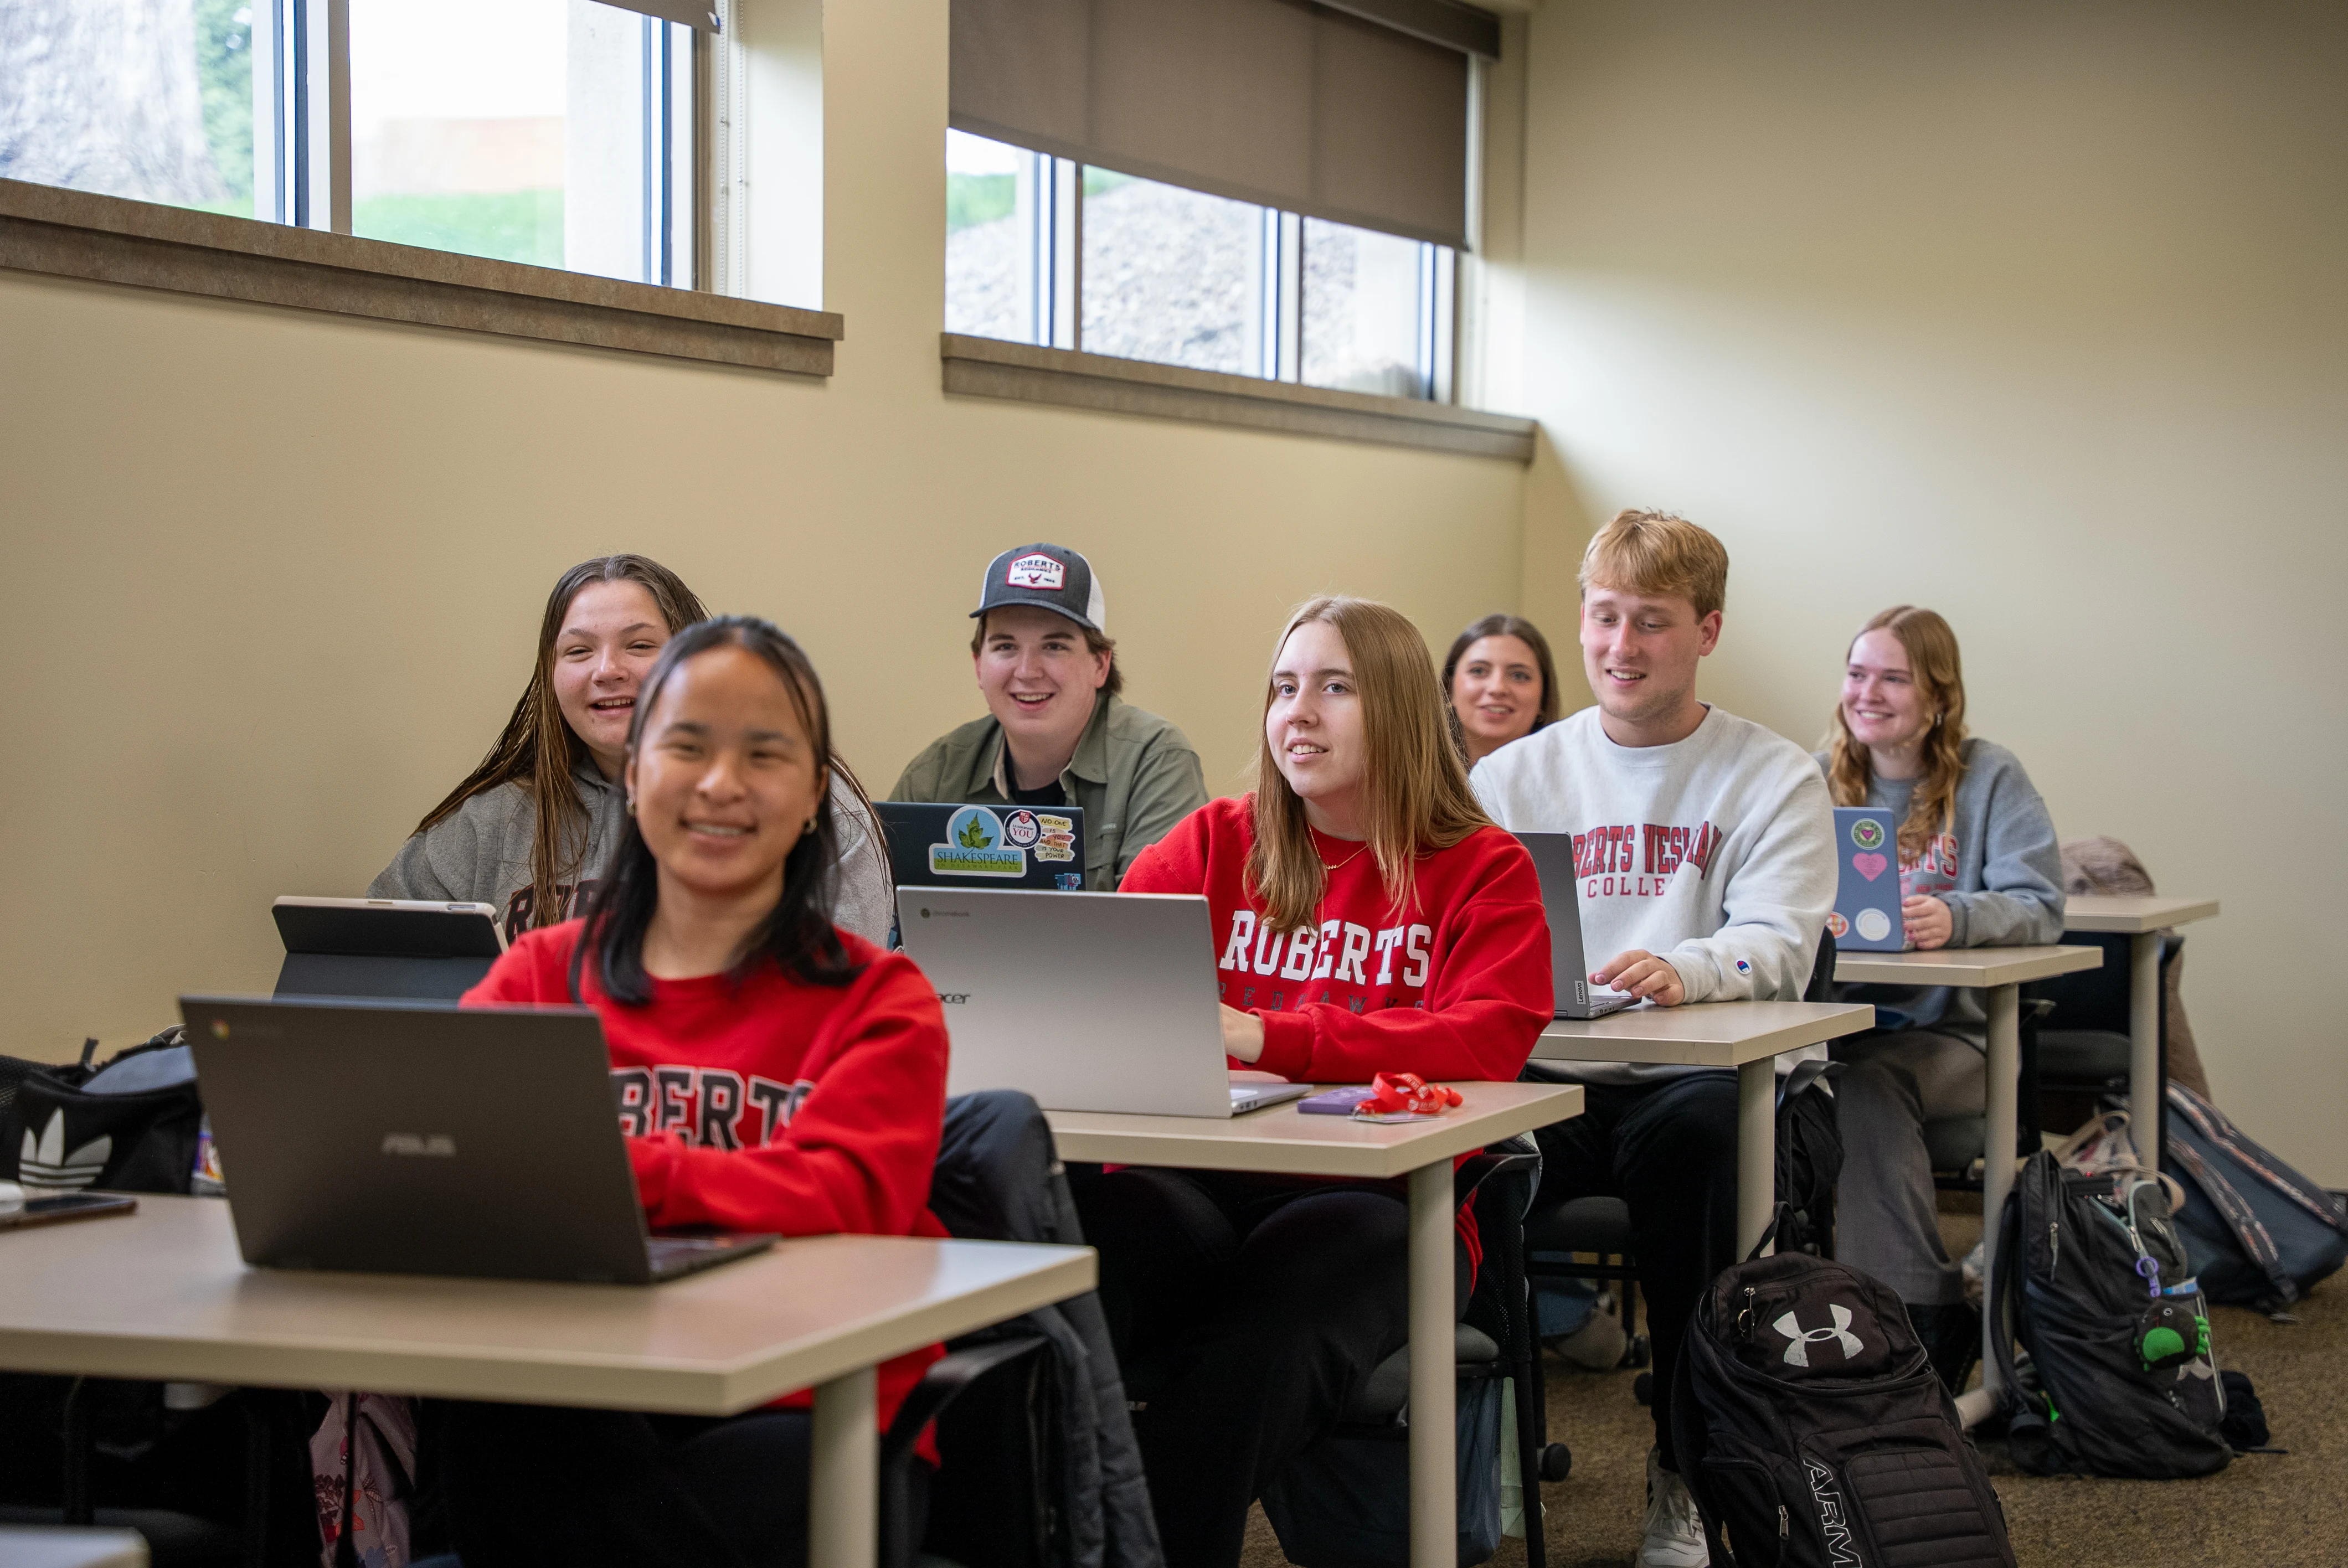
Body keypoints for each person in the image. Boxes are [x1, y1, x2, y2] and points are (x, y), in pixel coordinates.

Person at [445, 616, 951, 1568]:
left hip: (810, 1405)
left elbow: (842, 1201)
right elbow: (465, 1149)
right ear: (634, 773)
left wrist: (596, 1166)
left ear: (814, 799)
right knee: (500, 1418)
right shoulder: (539, 977)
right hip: (592, 1382)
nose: (721, 784)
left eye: (764, 755)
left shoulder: (881, 1001)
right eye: (686, 746)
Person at [1078, 595, 1551, 1568]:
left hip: (1384, 1202)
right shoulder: (1213, 843)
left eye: (1336, 688)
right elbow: (1104, 984)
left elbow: (1485, 1036)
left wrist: (1273, 1033)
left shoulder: (1482, 868)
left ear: (1404, 712)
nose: (1300, 712)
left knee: (1271, 1326)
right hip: (1199, 1181)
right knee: (1054, 1263)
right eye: (1284, 688)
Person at [1470, 510, 1834, 1568]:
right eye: (1603, 617)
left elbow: (1778, 939)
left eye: (1653, 624)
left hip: (1716, 1083)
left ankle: (1686, 1472)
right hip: (1564, 1080)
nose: (1621, 647)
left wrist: (1689, 965)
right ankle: (1473, 1440)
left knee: (1704, 1147)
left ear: (1708, 630)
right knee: (1450, 1149)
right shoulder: (1512, 780)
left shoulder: (1771, 777)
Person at [372, 555, 893, 945]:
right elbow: (373, 962)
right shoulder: (487, 824)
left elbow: (829, 1007)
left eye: (640, 645)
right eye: (578, 651)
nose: (606, 671)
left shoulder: (808, 806)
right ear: (550, 678)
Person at [1819, 606, 2063, 1390]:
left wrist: (1955, 916)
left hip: (1961, 1040)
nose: (1870, 693)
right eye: (1859, 674)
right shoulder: (1813, 775)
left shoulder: (1990, 777)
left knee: (1866, 1083)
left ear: (1938, 695)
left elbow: (2041, 903)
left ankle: (1913, 1315)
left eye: (1894, 677)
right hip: (1840, 1024)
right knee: (1798, 1086)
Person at [890, 543, 1207, 889]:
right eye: (1006, 646)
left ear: (1100, 664)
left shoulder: (1156, 760)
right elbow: (883, 923)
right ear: (979, 665)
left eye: (1054, 646)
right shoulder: (934, 777)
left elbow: (1156, 931)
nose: (1027, 671)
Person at [1441, 612, 1562, 768]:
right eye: (1478, 671)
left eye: (1519, 676)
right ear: (1449, 689)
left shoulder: (1573, 781)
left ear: (1544, 697)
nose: (1497, 688)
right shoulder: (1411, 780)